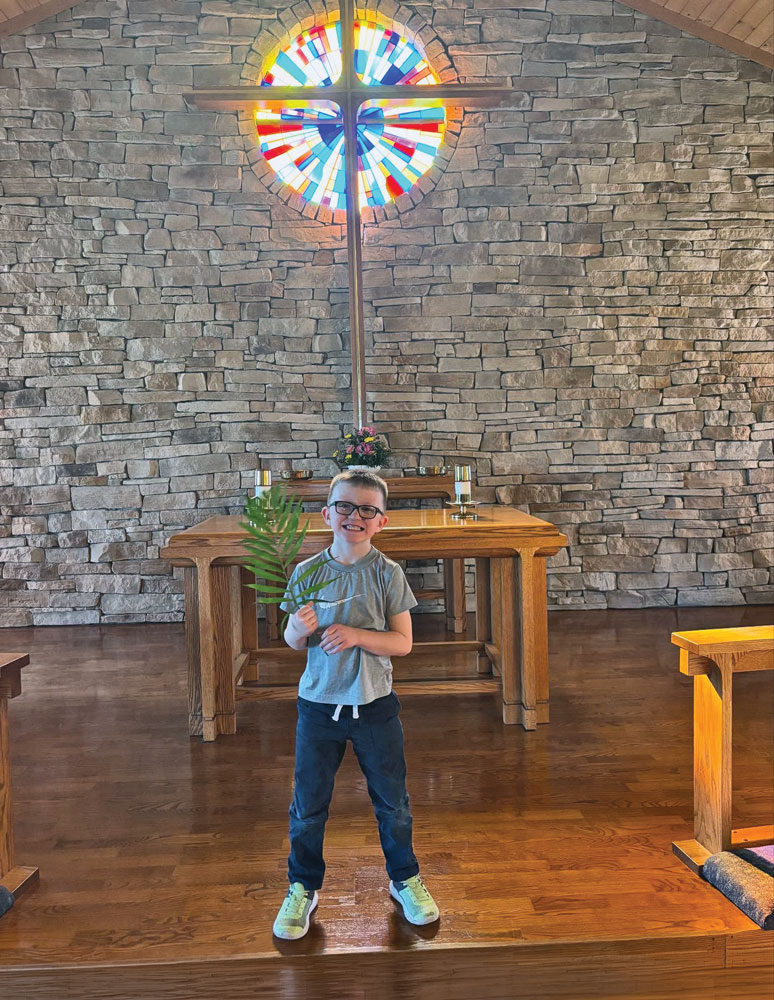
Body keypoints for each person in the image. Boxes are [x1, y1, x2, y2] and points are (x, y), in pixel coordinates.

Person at [272, 469, 439, 940]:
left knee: (393, 802)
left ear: (381, 522)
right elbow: (290, 640)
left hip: (375, 705)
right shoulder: (306, 573)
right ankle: (303, 886)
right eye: (345, 506)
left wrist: (356, 635)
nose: (355, 516)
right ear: (327, 514)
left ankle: (404, 878)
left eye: (367, 509)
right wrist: (300, 629)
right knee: (308, 805)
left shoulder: (388, 574)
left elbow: (403, 643)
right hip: (318, 708)